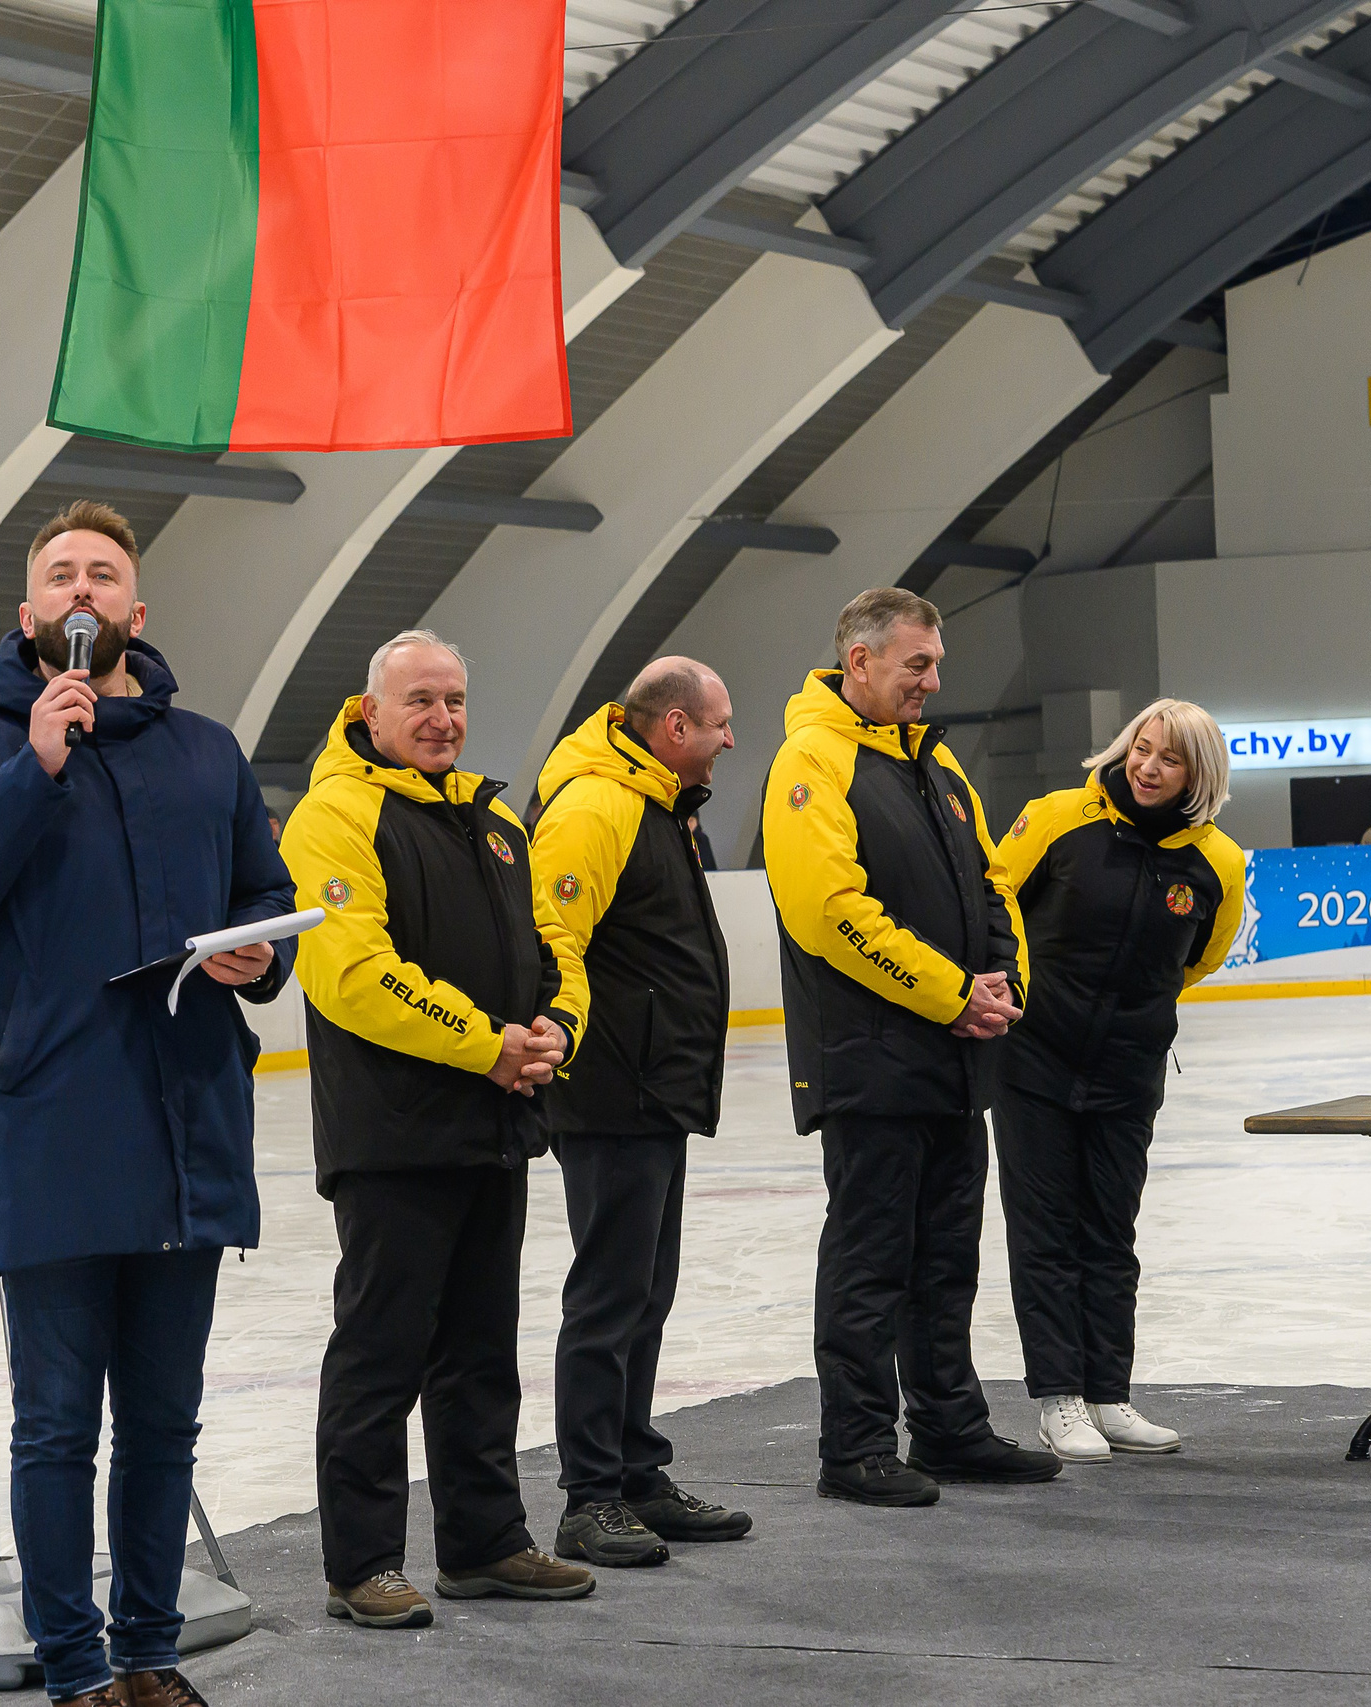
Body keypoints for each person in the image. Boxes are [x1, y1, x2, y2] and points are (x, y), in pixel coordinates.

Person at [0, 499, 293, 1707]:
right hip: (53, 1125)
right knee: (58, 1426)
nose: (81, 589)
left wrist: (261, 960)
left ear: (135, 609)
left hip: (184, 1122)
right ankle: (74, 1670)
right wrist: (35, 767)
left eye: (102, 573)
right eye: (59, 574)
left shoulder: (207, 751)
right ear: (28, 617)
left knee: (164, 1424)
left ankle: (149, 1654)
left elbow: (263, 897)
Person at [278, 628, 596, 1633]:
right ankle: (361, 1563)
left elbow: (553, 947)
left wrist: (556, 1028)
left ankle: (485, 1542)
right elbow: (354, 977)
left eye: (453, 699)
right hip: (393, 1138)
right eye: (419, 700)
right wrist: (485, 1044)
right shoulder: (335, 817)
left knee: (479, 1350)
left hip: (493, 1126)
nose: (442, 718)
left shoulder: (494, 819)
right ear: (368, 713)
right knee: (381, 1354)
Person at [762, 587, 1054, 1508]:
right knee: (870, 1260)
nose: (932, 681)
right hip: (872, 1062)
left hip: (952, 1062)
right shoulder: (811, 760)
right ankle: (853, 1446)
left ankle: (949, 1425)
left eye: (935, 665)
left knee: (945, 1259)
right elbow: (830, 914)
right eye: (916, 665)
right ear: (860, 660)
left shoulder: (935, 764)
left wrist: (1006, 981)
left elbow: (995, 881)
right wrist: (949, 993)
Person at [530, 658, 748, 1568]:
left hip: (655, 1087)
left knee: (644, 1292)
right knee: (611, 1292)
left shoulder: (658, 805)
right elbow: (552, 934)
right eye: (720, 722)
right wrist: (576, 1045)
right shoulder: (596, 806)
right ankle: (590, 1495)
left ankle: (634, 1471)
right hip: (614, 1088)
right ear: (672, 728)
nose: (729, 738)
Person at [992, 701, 1246, 1464]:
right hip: (1034, 1058)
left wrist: (1137, 1013)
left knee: (1109, 1232)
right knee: (1045, 1232)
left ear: (1197, 776)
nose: (1147, 766)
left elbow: (1198, 957)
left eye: (1169, 759)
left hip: (1129, 1070)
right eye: (1142, 748)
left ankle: (1107, 1393)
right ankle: (1058, 1397)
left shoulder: (1219, 862)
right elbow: (996, 898)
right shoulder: (1058, 817)